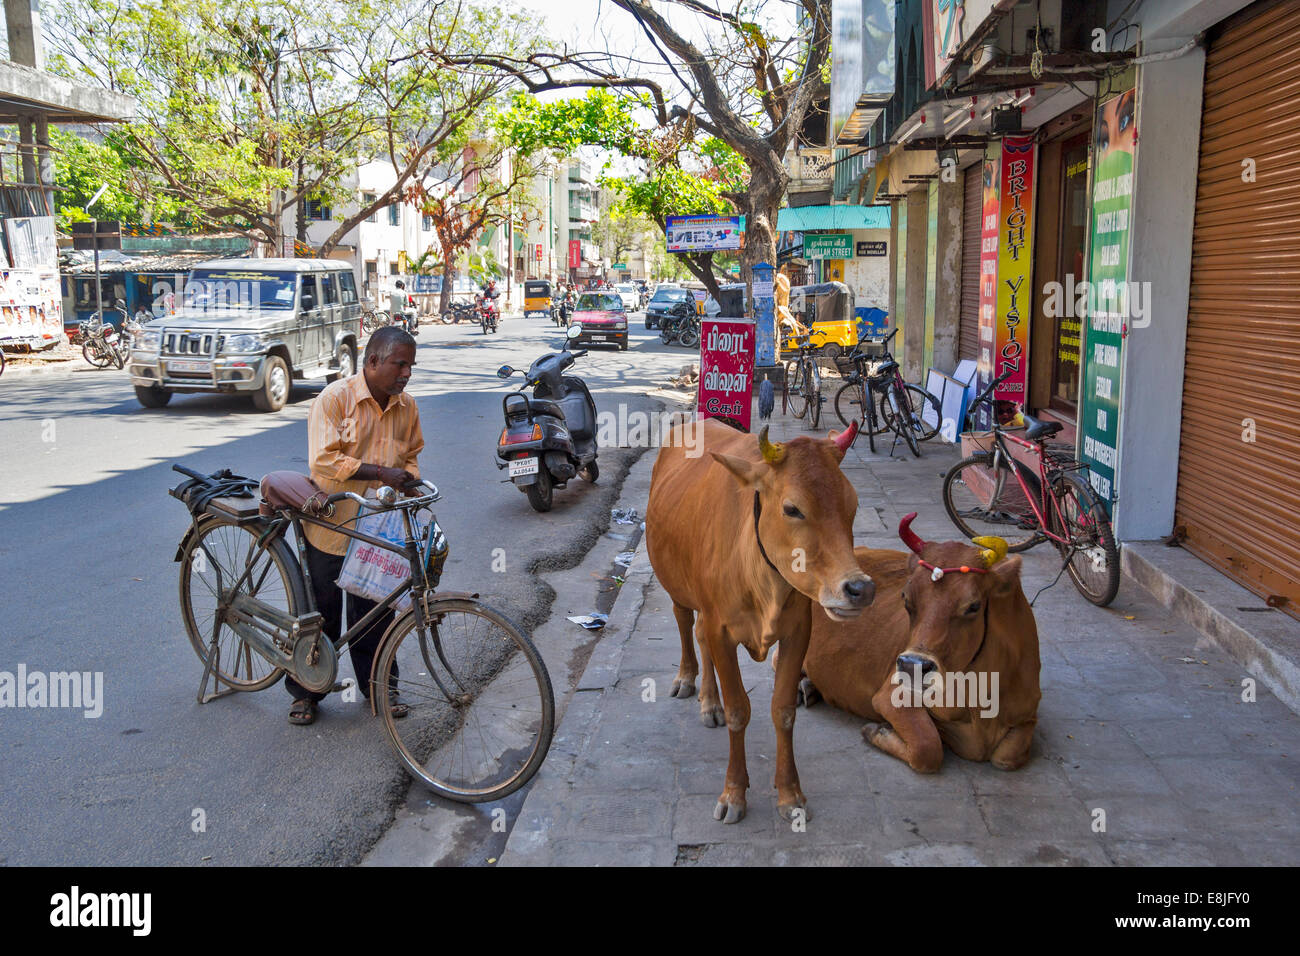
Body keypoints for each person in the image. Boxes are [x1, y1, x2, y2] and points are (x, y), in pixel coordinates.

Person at [287, 326, 424, 725]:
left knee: (375, 616)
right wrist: (382, 472)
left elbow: (412, 455)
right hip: (333, 527)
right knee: (321, 616)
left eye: (411, 366)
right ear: (373, 361)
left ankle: (380, 688)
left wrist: (409, 481)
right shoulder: (335, 399)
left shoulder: (407, 407)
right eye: (400, 364)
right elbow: (324, 461)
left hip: (377, 529)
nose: (406, 374)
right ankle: (305, 692)